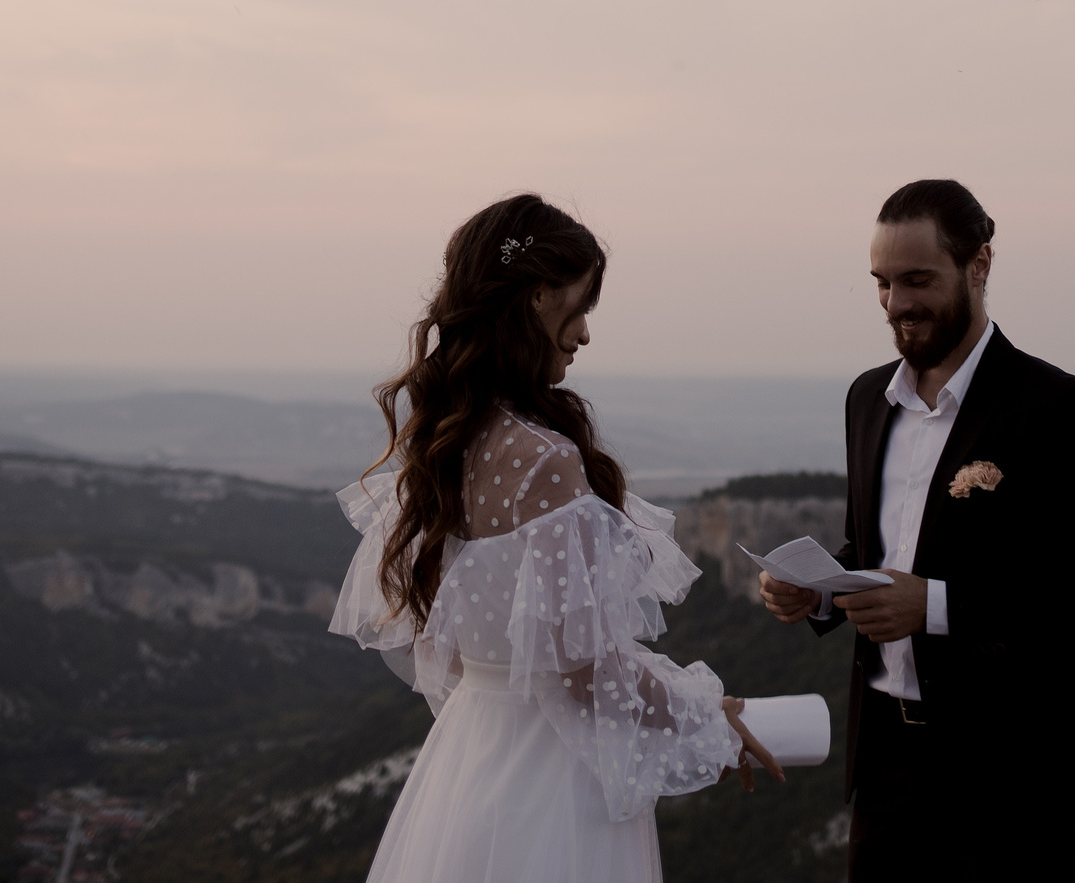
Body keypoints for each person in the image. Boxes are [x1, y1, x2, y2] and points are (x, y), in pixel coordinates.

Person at [331, 192, 785, 882]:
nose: (585, 333)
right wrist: (702, 716)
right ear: (540, 295)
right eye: (581, 306)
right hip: (549, 784)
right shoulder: (543, 460)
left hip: (468, 760)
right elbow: (582, 672)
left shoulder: (447, 447)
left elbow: (456, 649)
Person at [759, 179, 1075, 881]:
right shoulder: (867, 399)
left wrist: (933, 605)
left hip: (1011, 780)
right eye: (881, 282)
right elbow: (877, 554)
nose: (896, 303)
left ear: (980, 264)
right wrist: (813, 593)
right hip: (884, 774)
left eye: (917, 279)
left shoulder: (1059, 407)